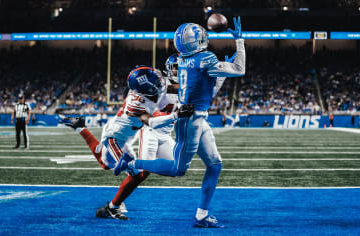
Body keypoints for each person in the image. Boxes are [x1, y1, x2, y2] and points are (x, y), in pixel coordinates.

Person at [116, 17, 245, 228]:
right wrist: (239, 42)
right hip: (189, 121)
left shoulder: (186, 62)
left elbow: (205, 90)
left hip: (197, 118)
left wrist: (220, 73)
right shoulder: (201, 60)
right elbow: (240, 69)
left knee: (215, 164)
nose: (173, 71)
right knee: (177, 169)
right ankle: (131, 163)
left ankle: (202, 215)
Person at [64, 66, 193, 220]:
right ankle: (112, 208)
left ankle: (81, 128)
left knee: (108, 165)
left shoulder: (147, 90)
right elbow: (150, 122)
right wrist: (175, 116)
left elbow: (173, 88)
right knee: (135, 173)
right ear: (147, 88)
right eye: (156, 82)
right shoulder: (137, 103)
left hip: (124, 138)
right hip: (114, 138)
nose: (160, 83)